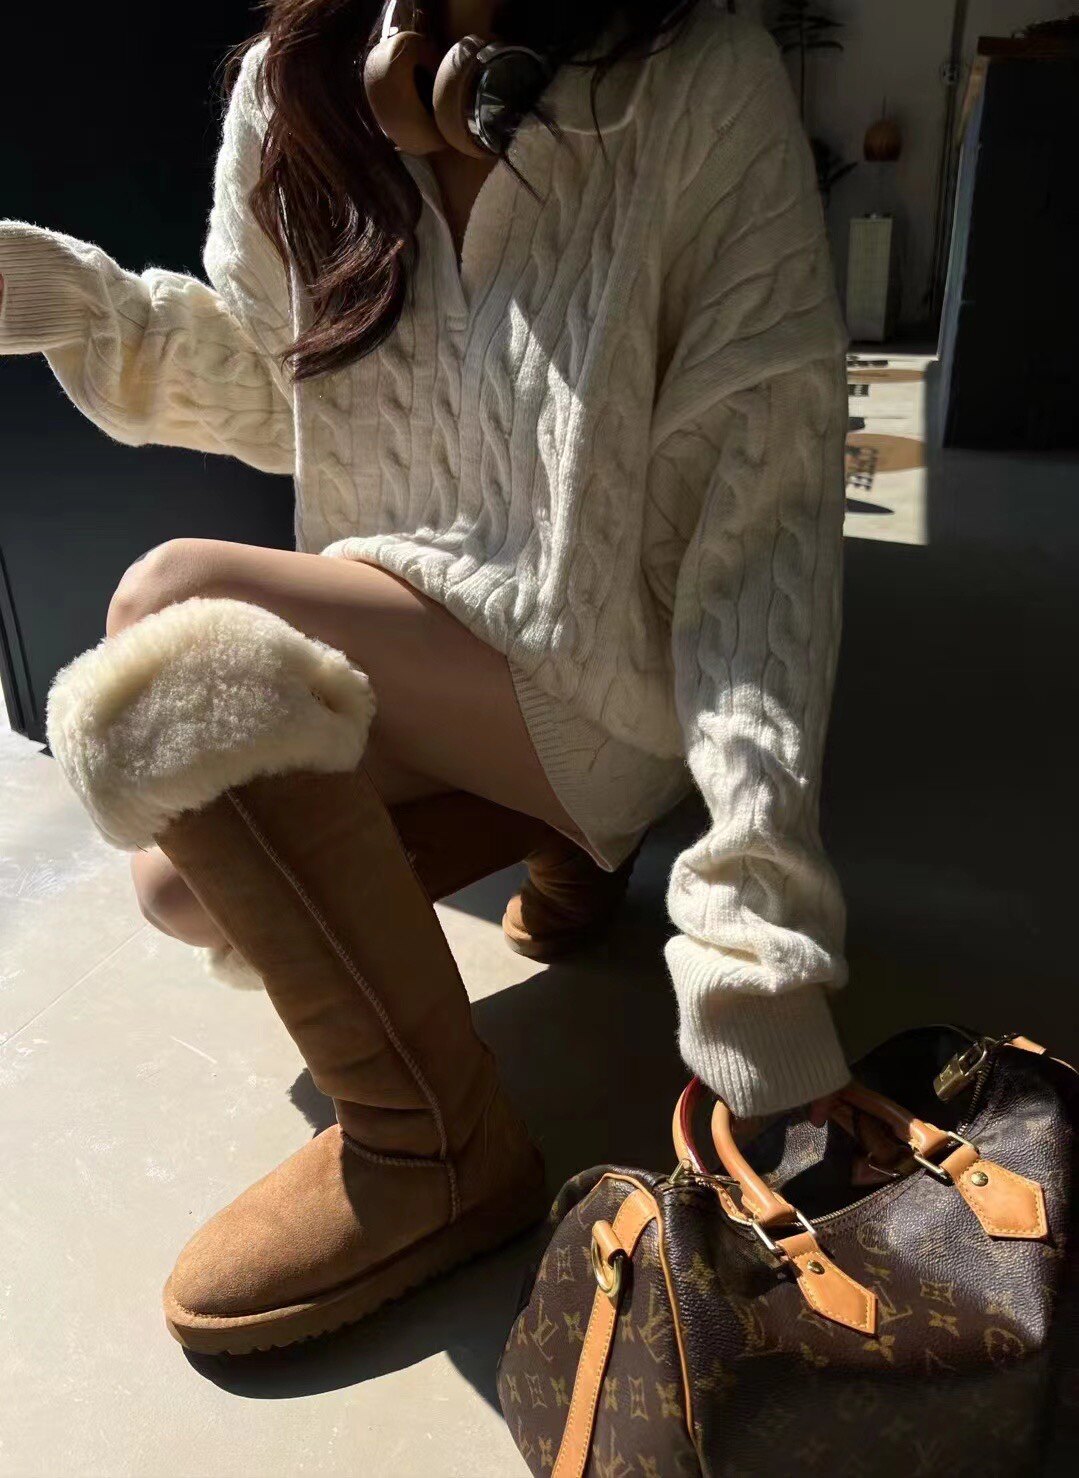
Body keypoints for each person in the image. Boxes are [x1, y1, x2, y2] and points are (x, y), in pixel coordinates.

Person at [0, 0, 851, 1355]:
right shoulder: (293, 84)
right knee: (182, 884)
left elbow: (768, 514)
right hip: (414, 644)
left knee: (174, 603)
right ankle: (568, 847)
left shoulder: (694, 78)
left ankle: (432, 1147)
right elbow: (275, 381)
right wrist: (68, 302)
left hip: (606, 677)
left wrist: (755, 930)